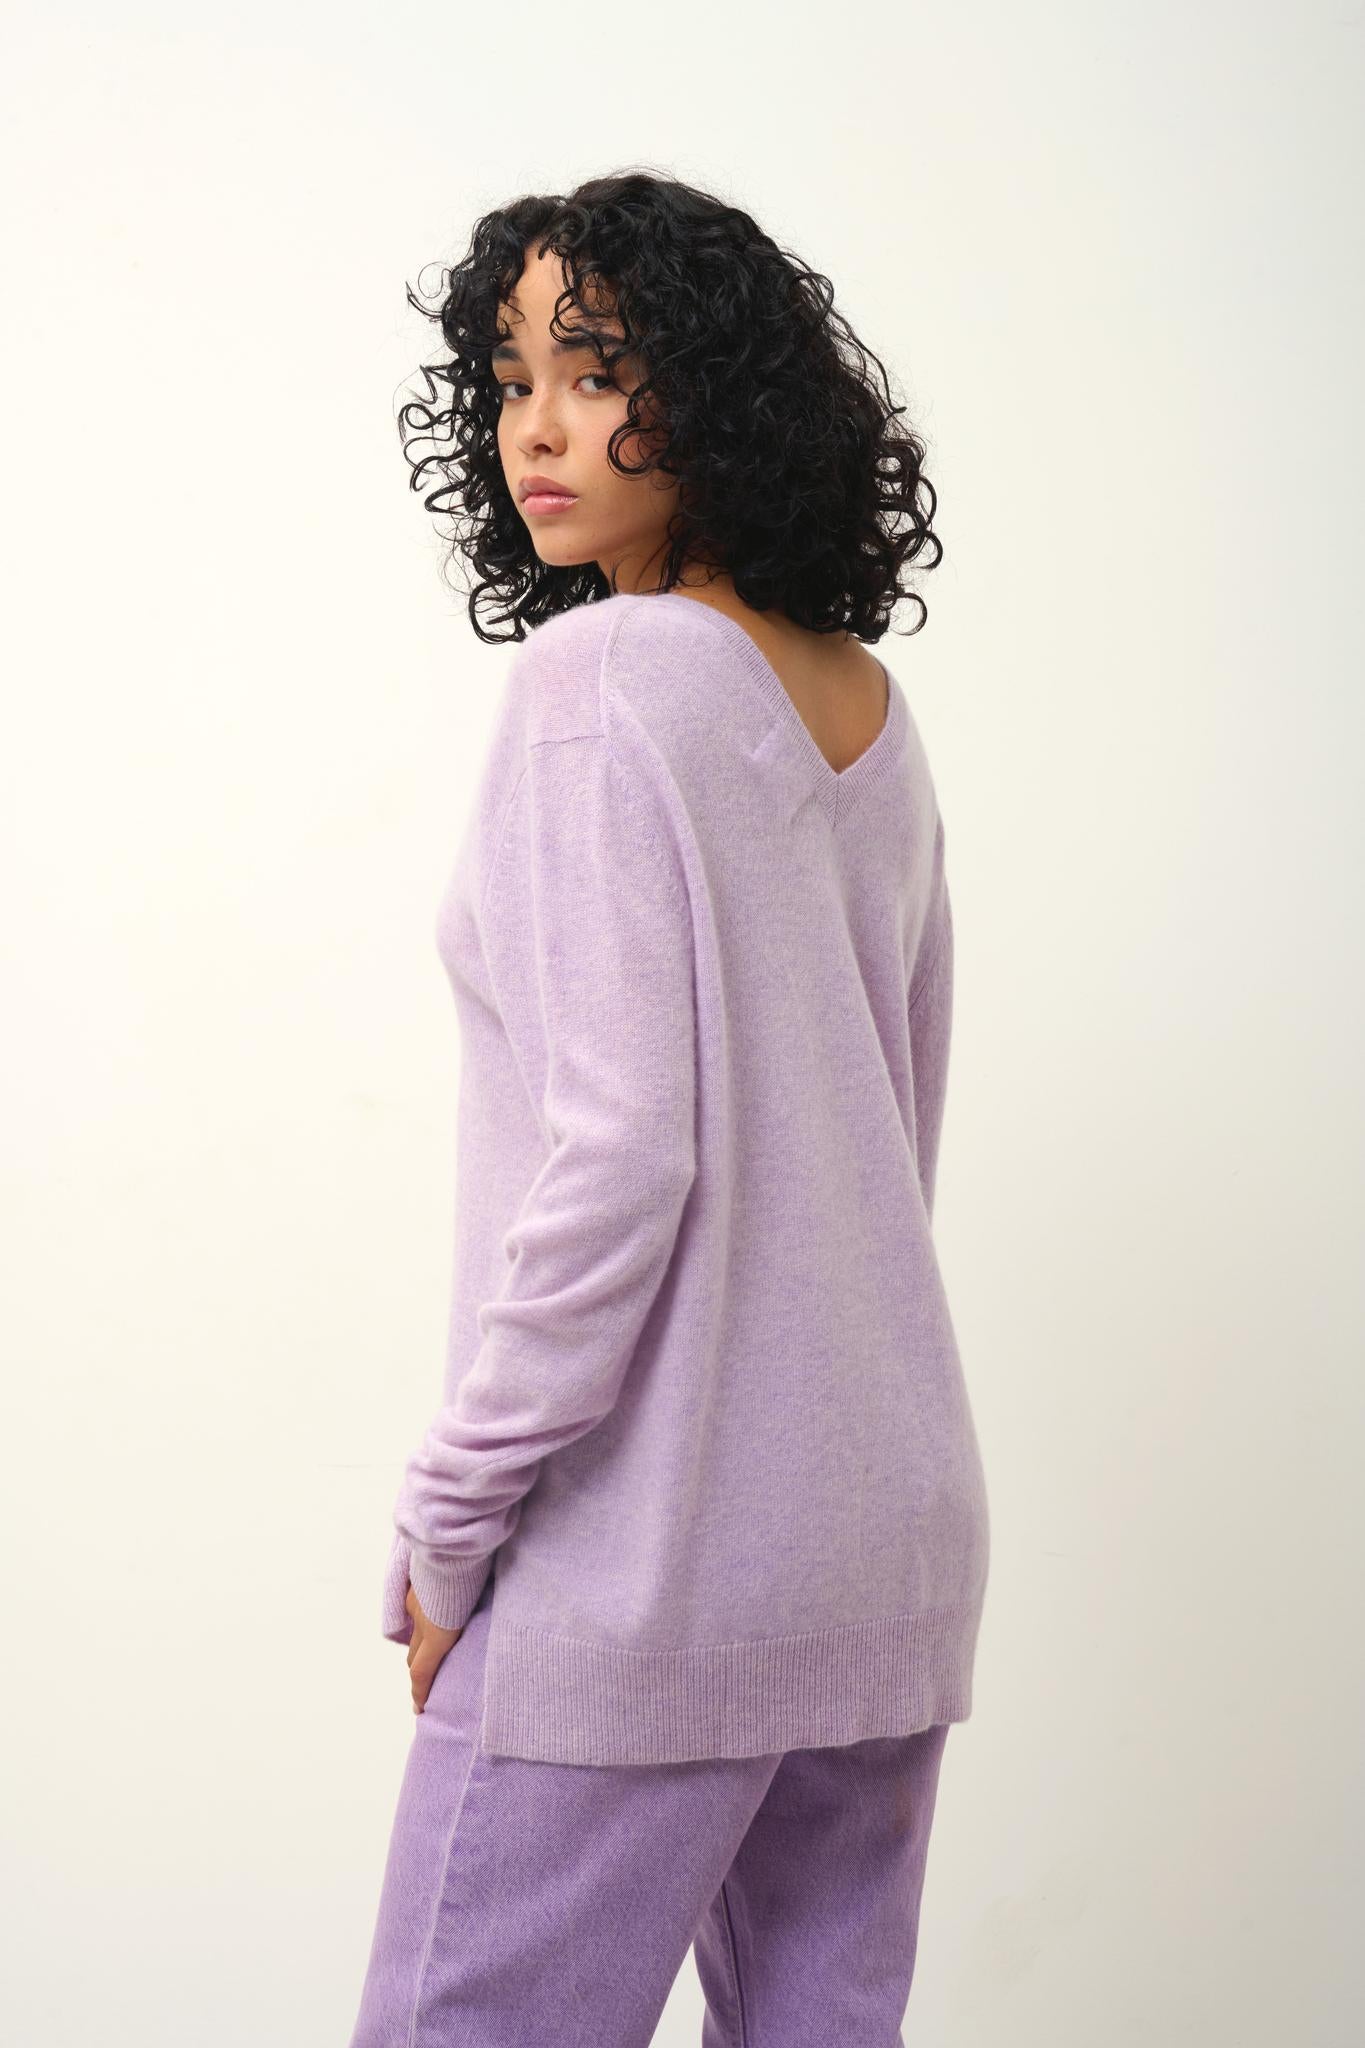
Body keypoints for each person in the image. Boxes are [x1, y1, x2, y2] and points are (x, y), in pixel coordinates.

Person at [348, 167, 990, 2048]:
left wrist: (453, 1519)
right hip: (882, 1551)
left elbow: (619, 1157)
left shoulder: (601, 676)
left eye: (598, 367)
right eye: (507, 379)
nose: (536, 428)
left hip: (648, 1564)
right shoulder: (861, 706)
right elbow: (895, 1144)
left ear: (712, 391)